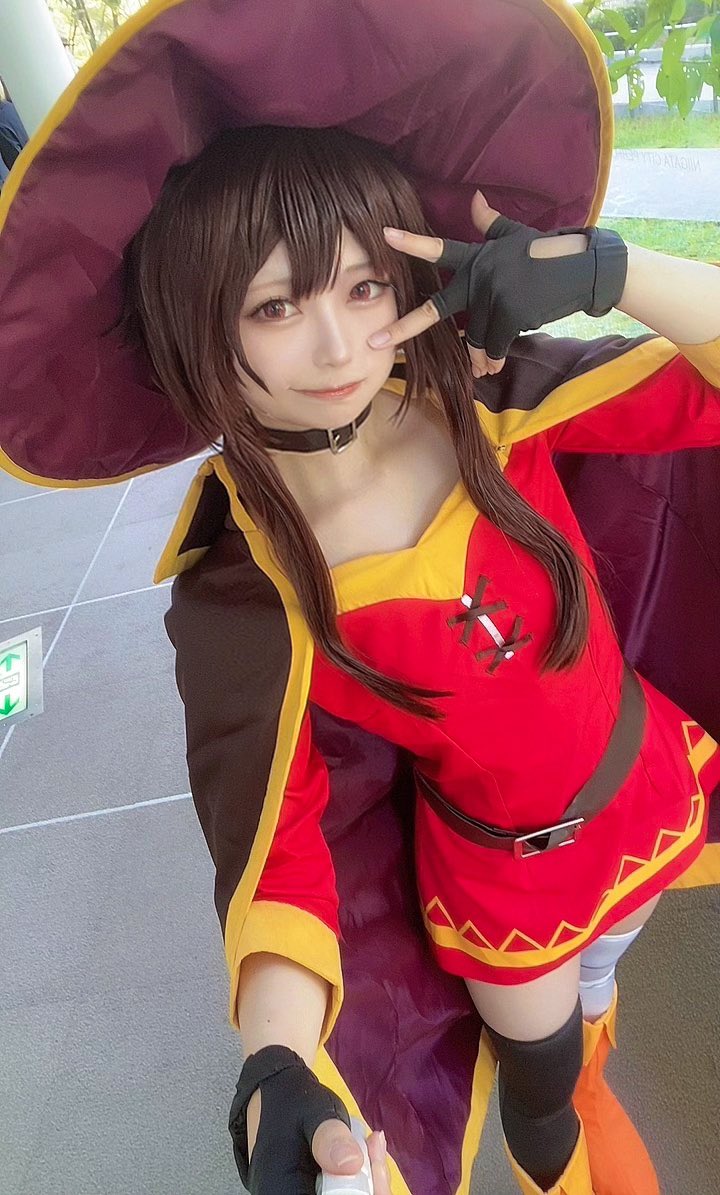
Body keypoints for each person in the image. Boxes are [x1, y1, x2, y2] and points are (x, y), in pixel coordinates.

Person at [1, 3, 719, 1194]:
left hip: (653, 785)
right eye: (275, 307)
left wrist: (614, 270)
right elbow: (274, 850)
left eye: (363, 285)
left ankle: (596, 1024)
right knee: (550, 1095)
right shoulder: (250, 589)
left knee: (604, 991)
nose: (339, 346)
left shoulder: (499, 399)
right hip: (510, 894)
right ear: (198, 324)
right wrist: (277, 1062)